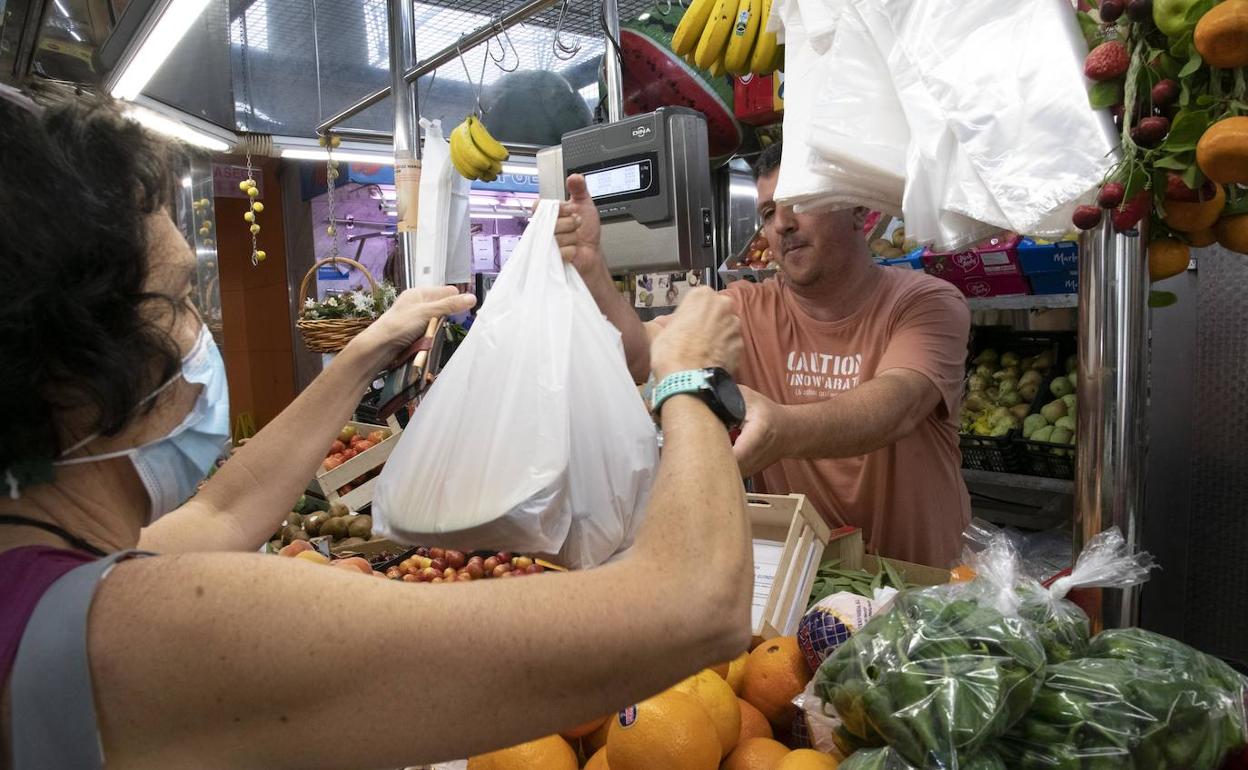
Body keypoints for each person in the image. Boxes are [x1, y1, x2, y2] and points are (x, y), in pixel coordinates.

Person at [0, 84, 751, 769]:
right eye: (179, 298)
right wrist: (688, 375)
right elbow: (693, 609)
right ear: (79, 365)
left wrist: (365, 351)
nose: (203, 333)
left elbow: (225, 510)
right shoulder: (139, 631)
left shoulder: (40, 582)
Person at [556, 141, 973, 567]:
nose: (782, 225)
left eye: (800, 201)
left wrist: (783, 429)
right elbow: (642, 355)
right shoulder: (745, 307)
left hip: (924, 588)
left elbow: (897, 403)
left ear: (857, 211)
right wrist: (592, 268)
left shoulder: (928, 302)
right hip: (801, 585)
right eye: (769, 212)